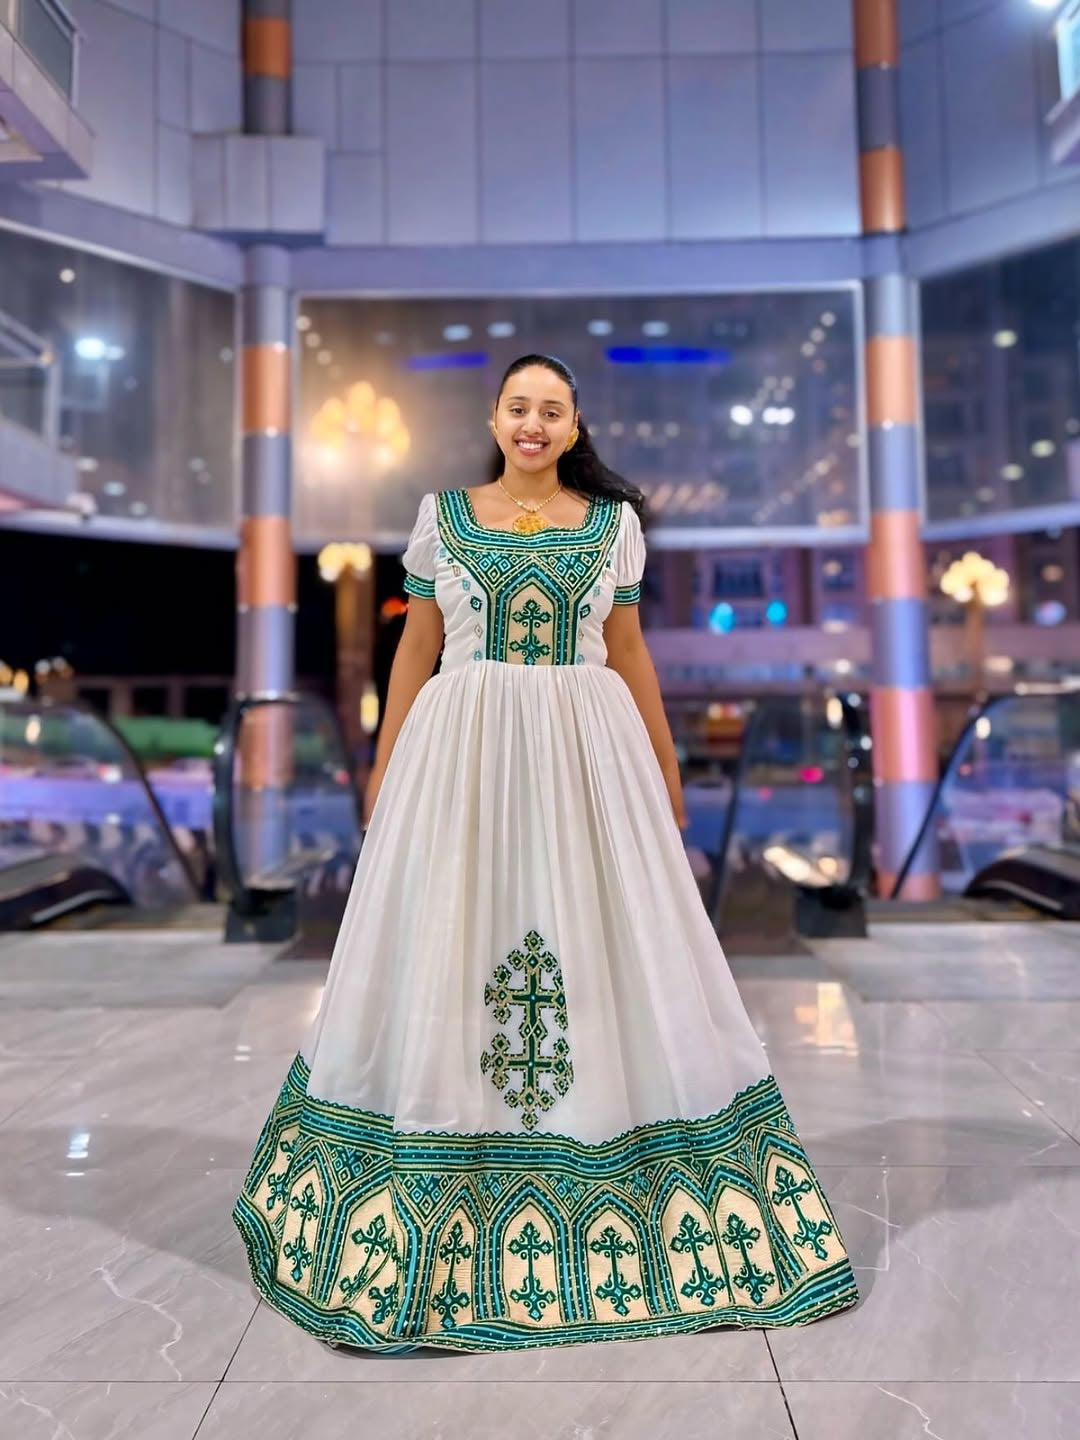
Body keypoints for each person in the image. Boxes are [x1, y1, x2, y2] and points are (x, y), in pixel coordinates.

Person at [232, 353, 858, 1353]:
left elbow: (635, 652)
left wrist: (665, 770)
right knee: (457, 934)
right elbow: (416, 648)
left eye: (551, 411)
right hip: (463, 756)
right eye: (519, 407)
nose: (533, 423)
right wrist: (383, 771)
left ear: (573, 427)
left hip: (587, 757)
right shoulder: (446, 515)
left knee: (604, 938)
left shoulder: (613, 528)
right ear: (496, 417)